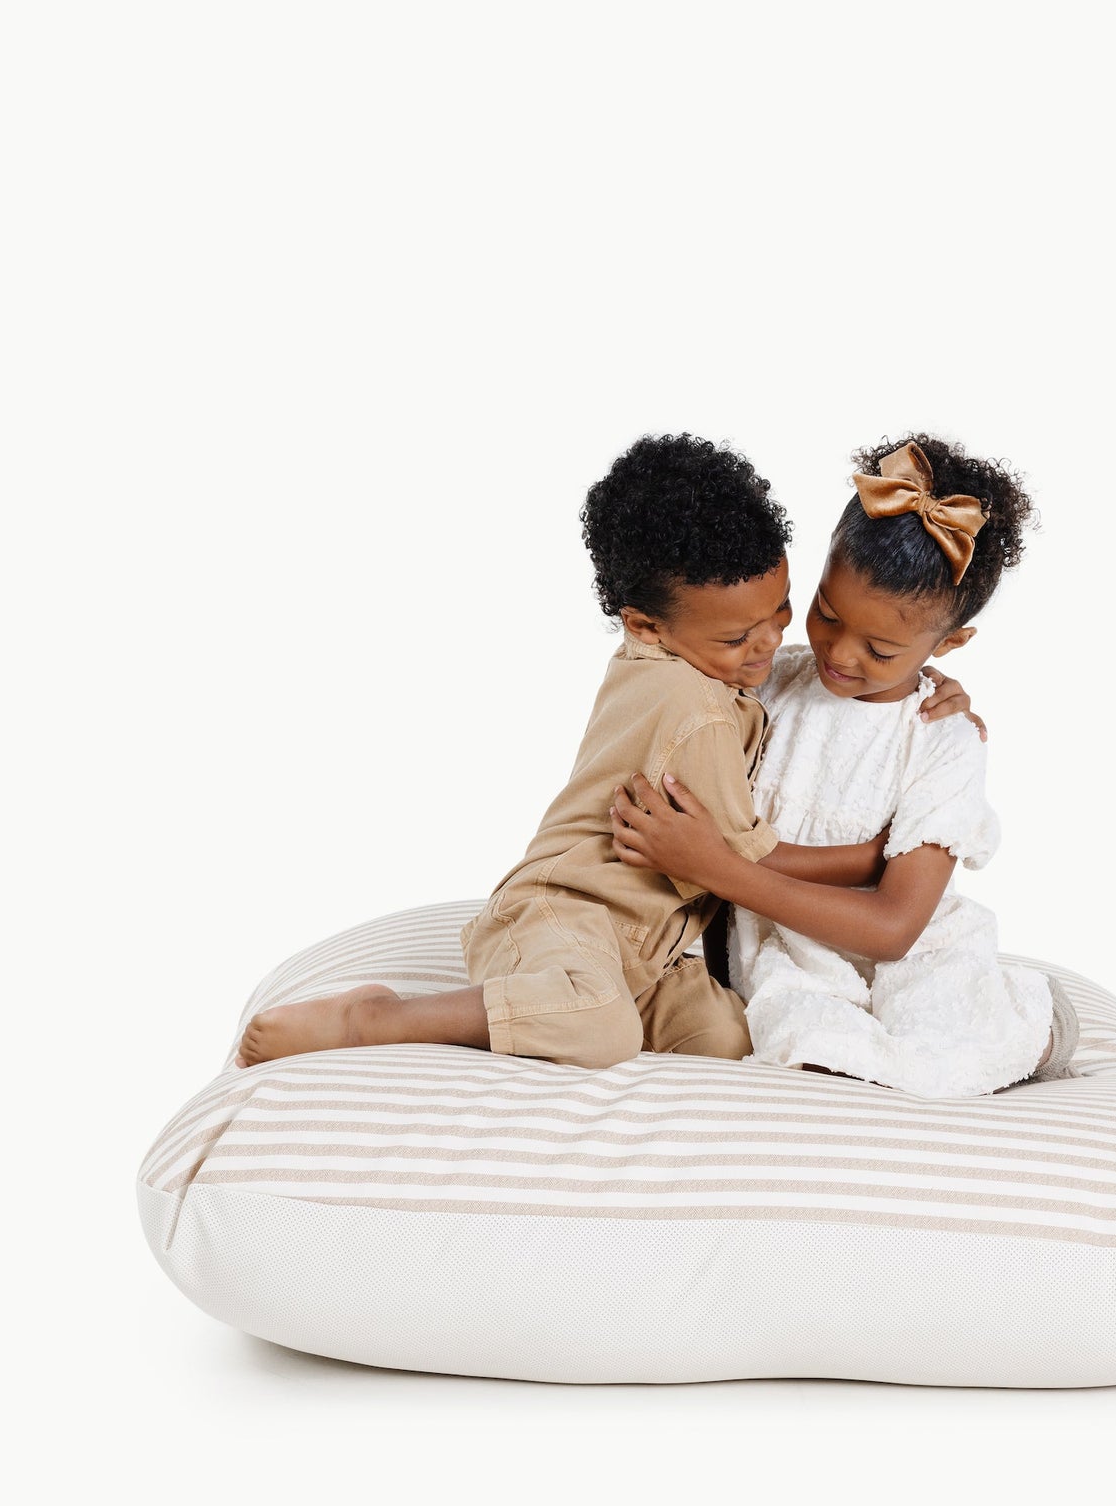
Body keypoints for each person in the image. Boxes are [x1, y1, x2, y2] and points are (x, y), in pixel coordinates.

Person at [233, 433, 978, 1070]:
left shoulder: (724, 664)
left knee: (725, 1035)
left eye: (779, 613)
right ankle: (377, 1019)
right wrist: (879, 858)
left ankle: (550, 1009)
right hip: (572, 914)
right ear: (646, 625)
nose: (772, 647)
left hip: (652, 948)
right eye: (815, 616)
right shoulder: (697, 708)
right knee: (599, 1023)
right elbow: (734, 857)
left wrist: (925, 690)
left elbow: (847, 706)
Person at [611, 434, 1079, 1097]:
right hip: (784, 955)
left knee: (940, 1038)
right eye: (826, 613)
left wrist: (719, 864)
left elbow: (892, 926)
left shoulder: (940, 738)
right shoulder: (767, 682)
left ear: (949, 643)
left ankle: (1038, 1023)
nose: (840, 653)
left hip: (906, 955)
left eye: (882, 649)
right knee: (807, 1039)